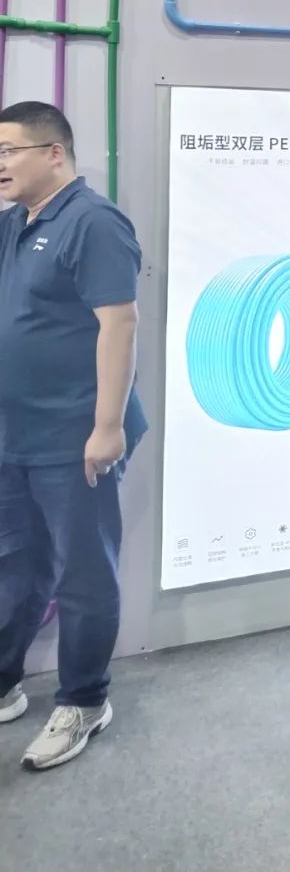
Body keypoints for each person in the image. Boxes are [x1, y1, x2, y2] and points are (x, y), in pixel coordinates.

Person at [0, 101, 146, 771]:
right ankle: (6, 680)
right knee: (16, 562)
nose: (0, 165)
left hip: (75, 435)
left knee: (83, 572)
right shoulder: (16, 223)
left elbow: (120, 323)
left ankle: (85, 700)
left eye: (9, 151)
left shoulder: (93, 222)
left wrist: (107, 426)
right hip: (16, 434)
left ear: (54, 153)